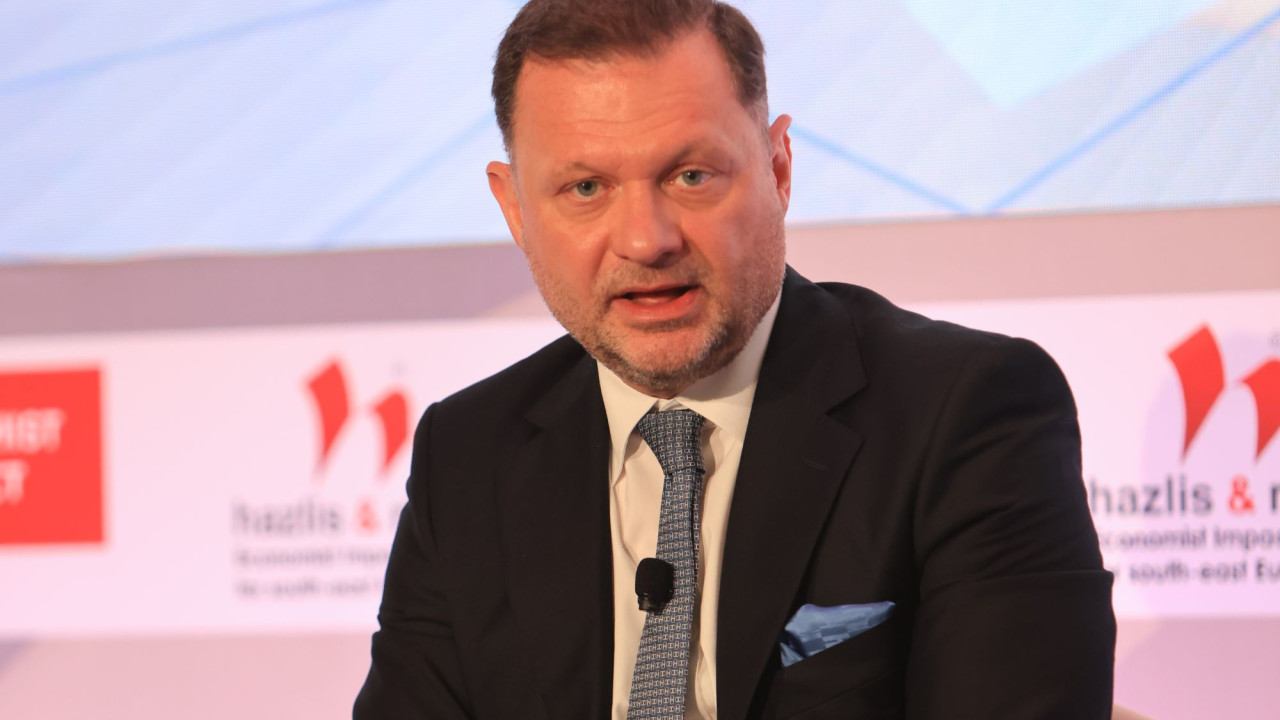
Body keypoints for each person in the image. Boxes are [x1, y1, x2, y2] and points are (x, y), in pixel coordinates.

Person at [354, 1, 1115, 718]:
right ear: (515, 209)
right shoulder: (468, 455)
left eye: (691, 176)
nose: (647, 239)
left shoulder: (967, 414)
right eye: (586, 188)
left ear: (778, 168)